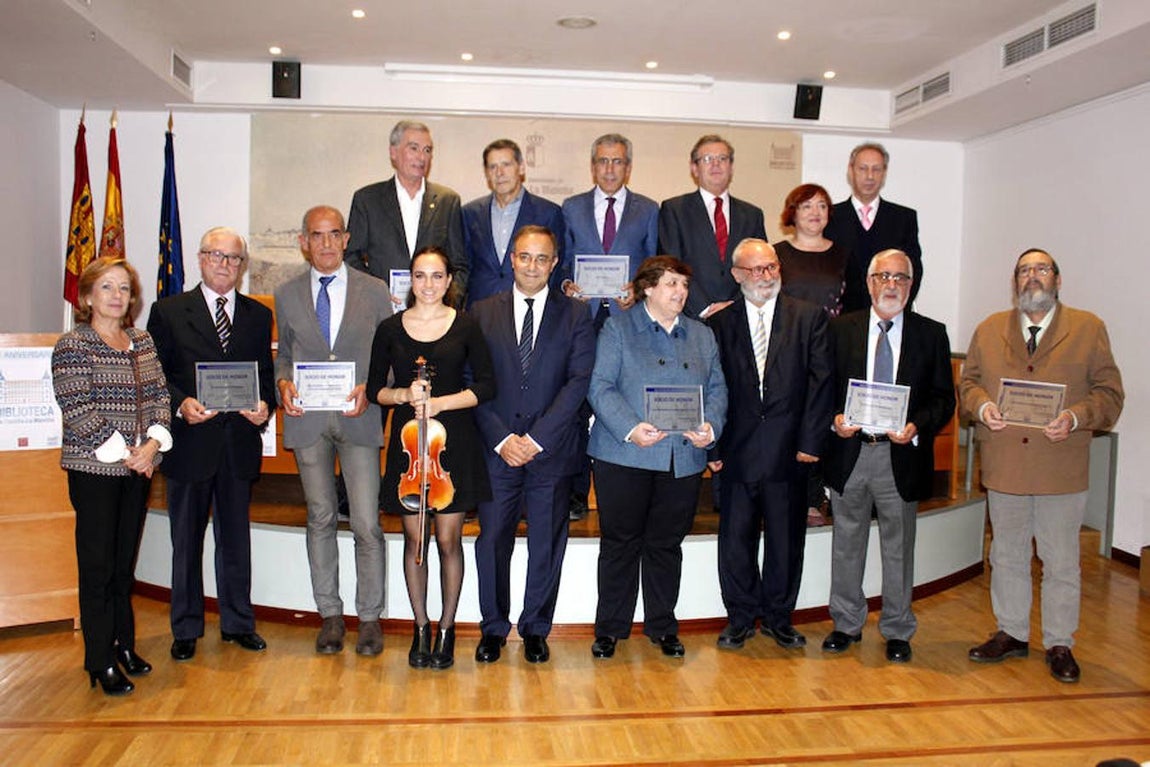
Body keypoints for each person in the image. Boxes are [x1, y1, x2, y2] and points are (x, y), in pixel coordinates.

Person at [960, 248, 1123, 684]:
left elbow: (1110, 396)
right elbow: (969, 384)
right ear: (1015, 281)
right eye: (1024, 271)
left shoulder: (1089, 329)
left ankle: (1059, 642)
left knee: (1061, 561)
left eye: (1042, 269)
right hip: (1007, 463)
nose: (1033, 277)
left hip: (1060, 467)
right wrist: (982, 406)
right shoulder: (990, 328)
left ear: (1058, 280)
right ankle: (1011, 632)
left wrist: (1075, 417)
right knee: (1007, 554)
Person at [587, 255, 727, 660]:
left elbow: (718, 389)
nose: (679, 292)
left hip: (681, 459)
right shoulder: (618, 327)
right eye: (670, 284)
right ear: (647, 287)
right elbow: (600, 386)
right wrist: (631, 427)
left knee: (667, 545)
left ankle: (662, 625)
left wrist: (710, 427)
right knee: (620, 543)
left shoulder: (702, 335)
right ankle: (610, 628)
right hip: (625, 453)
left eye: (683, 285)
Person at [147, 227, 275, 662]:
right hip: (190, 443)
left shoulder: (257, 316)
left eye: (234, 258)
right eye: (216, 256)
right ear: (201, 259)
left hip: (238, 443)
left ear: (243, 266)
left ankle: (238, 622)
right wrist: (180, 402)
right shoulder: (167, 311)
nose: (225, 264)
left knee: (235, 539)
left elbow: (265, 376)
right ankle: (185, 626)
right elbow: (156, 376)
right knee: (186, 541)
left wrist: (264, 406)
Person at [821, 249, 954, 664]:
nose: (891, 285)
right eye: (883, 276)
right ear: (869, 282)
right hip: (852, 451)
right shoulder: (841, 329)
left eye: (900, 278)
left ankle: (897, 629)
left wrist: (916, 425)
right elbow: (821, 387)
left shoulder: (931, 334)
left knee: (899, 547)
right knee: (847, 542)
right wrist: (835, 419)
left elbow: (942, 399)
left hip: (901, 455)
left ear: (911, 286)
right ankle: (846, 623)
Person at [470, 225, 595, 664]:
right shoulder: (482, 312)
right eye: (525, 257)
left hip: (552, 451)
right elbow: (473, 383)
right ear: (511, 258)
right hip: (496, 450)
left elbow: (578, 382)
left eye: (542, 259)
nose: (533, 266)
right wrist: (503, 438)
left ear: (555, 262)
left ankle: (536, 628)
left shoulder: (577, 315)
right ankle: (493, 628)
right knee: (492, 542)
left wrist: (537, 439)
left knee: (546, 543)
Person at [367, 246, 495, 670]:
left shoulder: (467, 326)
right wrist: (403, 394)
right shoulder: (389, 328)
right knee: (415, 540)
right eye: (420, 276)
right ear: (410, 280)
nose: (428, 284)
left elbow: (487, 386)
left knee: (447, 540)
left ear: (448, 281)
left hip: (450, 443)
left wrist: (441, 404)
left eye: (436, 276)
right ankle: (420, 627)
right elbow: (374, 391)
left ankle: (447, 627)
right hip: (409, 445)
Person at [275, 205, 393, 657]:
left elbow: (387, 352)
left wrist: (374, 386)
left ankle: (369, 618)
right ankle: (329, 615)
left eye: (334, 234)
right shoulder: (286, 293)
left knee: (365, 522)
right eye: (316, 235)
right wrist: (283, 382)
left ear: (346, 240)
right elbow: (284, 354)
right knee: (320, 518)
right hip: (308, 420)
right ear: (303, 241)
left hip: (357, 417)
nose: (326, 243)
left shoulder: (375, 291)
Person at [51, 257, 172, 696]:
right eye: (107, 287)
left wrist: (153, 446)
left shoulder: (141, 340)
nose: (117, 295)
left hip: (137, 468)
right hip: (95, 471)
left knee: (123, 566)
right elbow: (78, 408)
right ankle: (98, 660)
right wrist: (128, 454)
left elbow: (161, 395)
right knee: (98, 567)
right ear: (87, 297)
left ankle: (124, 645)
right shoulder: (73, 344)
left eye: (123, 288)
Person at [706, 238, 832, 651]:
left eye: (771, 268)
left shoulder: (808, 317)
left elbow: (820, 383)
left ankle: (780, 617)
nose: (765, 277)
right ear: (737, 275)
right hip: (737, 452)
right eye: (755, 270)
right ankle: (740, 617)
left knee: (785, 539)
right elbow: (713, 389)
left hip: (789, 451)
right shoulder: (720, 324)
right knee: (736, 539)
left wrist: (811, 442)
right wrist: (714, 449)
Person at [561, 133, 660, 520]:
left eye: (617, 161)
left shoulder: (648, 209)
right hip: (580, 319)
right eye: (602, 161)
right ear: (593, 165)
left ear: (628, 167)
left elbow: (653, 264)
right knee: (575, 404)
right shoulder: (570, 208)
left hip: (626, 320)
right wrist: (566, 285)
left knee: (621, 401)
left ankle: (618, 489)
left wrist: (638, 290)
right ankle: (574, 494)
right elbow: (562, 263)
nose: (609, 169)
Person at [776, 182, 849, 526]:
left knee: (822, 418)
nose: (815, 212)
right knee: (790, 419)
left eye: (821, 205)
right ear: (793, 212)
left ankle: (816, 494)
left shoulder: (844, 254)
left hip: (832, 348)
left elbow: (855, 306)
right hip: (789, 348)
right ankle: (788, 492)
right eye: (806, 206)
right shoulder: (776, 253)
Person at [346, 120, 465, 306]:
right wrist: (375, 292)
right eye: (414, 148)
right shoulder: (367, 200)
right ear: (393, 153)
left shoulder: (447, 201)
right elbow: (351, 257)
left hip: (433, 312)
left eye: (427, 150)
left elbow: (460, 264)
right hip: (383, 309)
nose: (422, 157)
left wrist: (448, 301)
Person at [658, 134, 767, 320]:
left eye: (722, 159)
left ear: (731, 168)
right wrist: (705, 308)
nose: (716, 164)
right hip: (691, 316)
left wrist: (734, 306)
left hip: (740, 317)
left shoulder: (752, 215)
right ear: (694, 168)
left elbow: (760, 268)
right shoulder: (674, 210)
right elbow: (672, 266)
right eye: (708, 159)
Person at [462, 139, 565, 307]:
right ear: (487, 173)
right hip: (480, 310)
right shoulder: (470, 213)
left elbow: (556, 268)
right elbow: (465, 266)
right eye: (492, 167)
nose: (499, 173)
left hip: (531, 309)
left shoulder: (549, 213)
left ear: (521, 168)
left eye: (506, 165)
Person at [823, 142, 923, 314]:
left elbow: (913, 270)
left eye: (876, 169)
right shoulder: (829, 216)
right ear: (851, 171)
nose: (869, 176)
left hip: (890, 315)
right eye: (863, 168)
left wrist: (897, 310)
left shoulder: (903, 218)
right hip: (842, 320)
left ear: (884, 173)